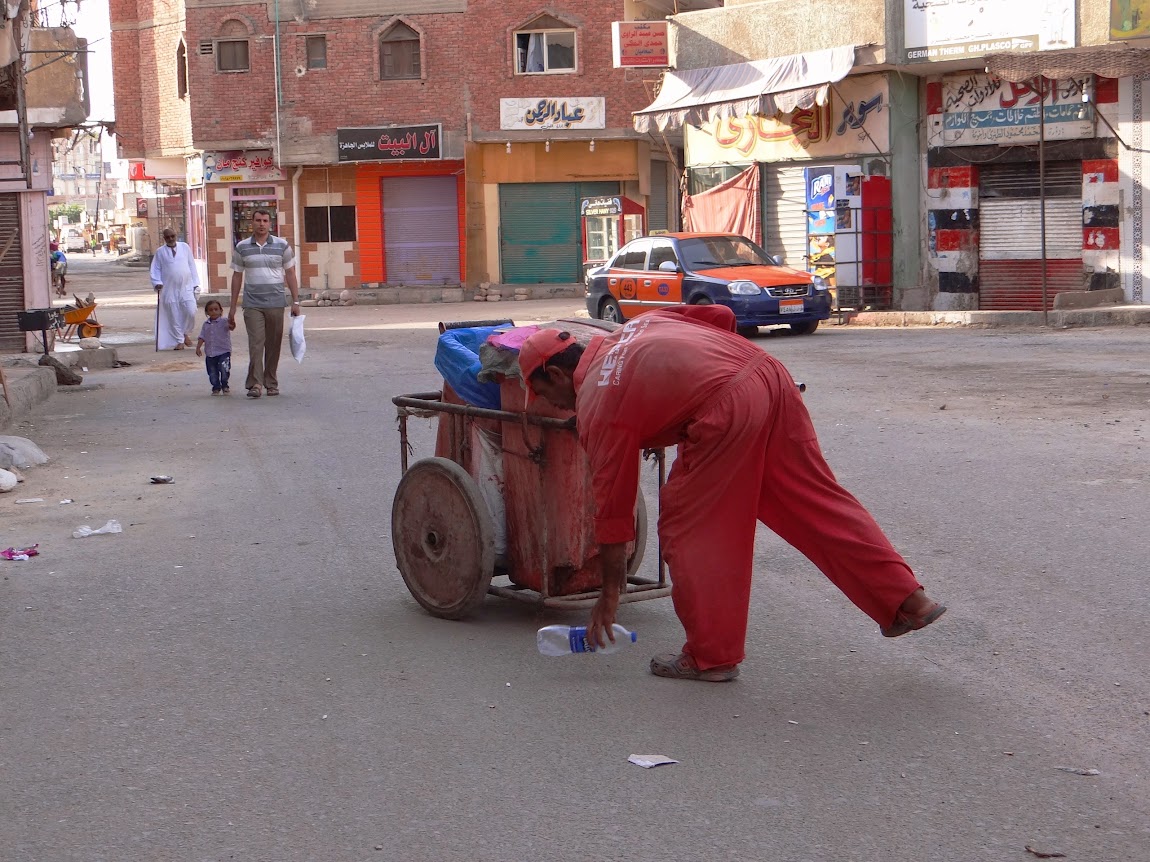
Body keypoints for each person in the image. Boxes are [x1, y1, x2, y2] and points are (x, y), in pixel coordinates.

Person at [518, 305, 946, 682]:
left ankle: (711, 657)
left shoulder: (597, 403)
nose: (552, 406)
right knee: (814, 500)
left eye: (543, 394)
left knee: (691, 530)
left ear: (556, 374)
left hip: (722, 406)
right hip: (767, 375)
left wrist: (609, 595)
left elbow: (613, 511)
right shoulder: (637, 325)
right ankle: (906, 598)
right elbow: (719, 317)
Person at [227, 209, 300, 398]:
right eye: (258, 220)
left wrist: (296, 301)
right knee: (256, 344)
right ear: (252, 222)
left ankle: (271, 382)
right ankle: (255, 384)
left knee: (273, 344)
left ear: (270, 224)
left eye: (265, 221)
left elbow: (290, 274)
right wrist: (232, 307)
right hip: (253, 304)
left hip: (276, 302)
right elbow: (236, 276)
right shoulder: (242, 247)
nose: (261, 224)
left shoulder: (282, 246)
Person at [150, 228, 200, 351]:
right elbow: (155, 269)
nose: (171, 239)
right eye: (168, 237)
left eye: (172, 236)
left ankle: (185, 332)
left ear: (176, 235)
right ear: (164, 238)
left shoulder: (184, 247)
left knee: (191, 311)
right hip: (169, 289)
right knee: (174, 315)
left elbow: (191, 265)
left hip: (186, 287)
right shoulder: (160, 252)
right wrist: (157, 283)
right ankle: (179, 340)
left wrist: (196, 284)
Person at [195, 299, 232, 395]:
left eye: (216, 309)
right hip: (210, 354)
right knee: (212, 373)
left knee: (224, 370)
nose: (214, 312)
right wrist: (198, 347)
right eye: (211, 310)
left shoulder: (224, 321)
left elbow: (232, 327)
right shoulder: (206, 324)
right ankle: (216, 387)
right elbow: (202, 336)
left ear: (221, 310)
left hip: (224, 351)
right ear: (207, 312)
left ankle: (225, 385)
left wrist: (232, 319)